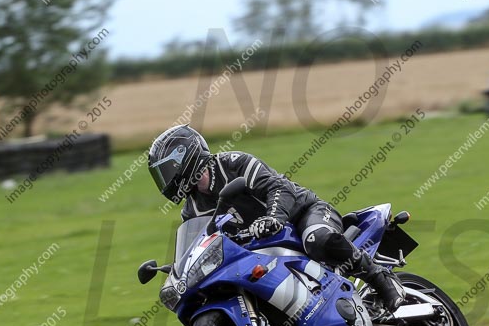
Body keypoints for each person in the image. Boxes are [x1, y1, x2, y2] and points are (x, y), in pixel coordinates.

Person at [147, 124, 405, 312]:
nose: (165, 179)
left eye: (167, 170)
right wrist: (180, 269)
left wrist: (273, 217)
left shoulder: (234, 163)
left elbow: (279, 188)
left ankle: (381, 279)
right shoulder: (191, 209)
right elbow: (199, 241)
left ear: (186, 157)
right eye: (161, 174)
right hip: (262, 248)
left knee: (317, 239)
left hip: (303, 213)